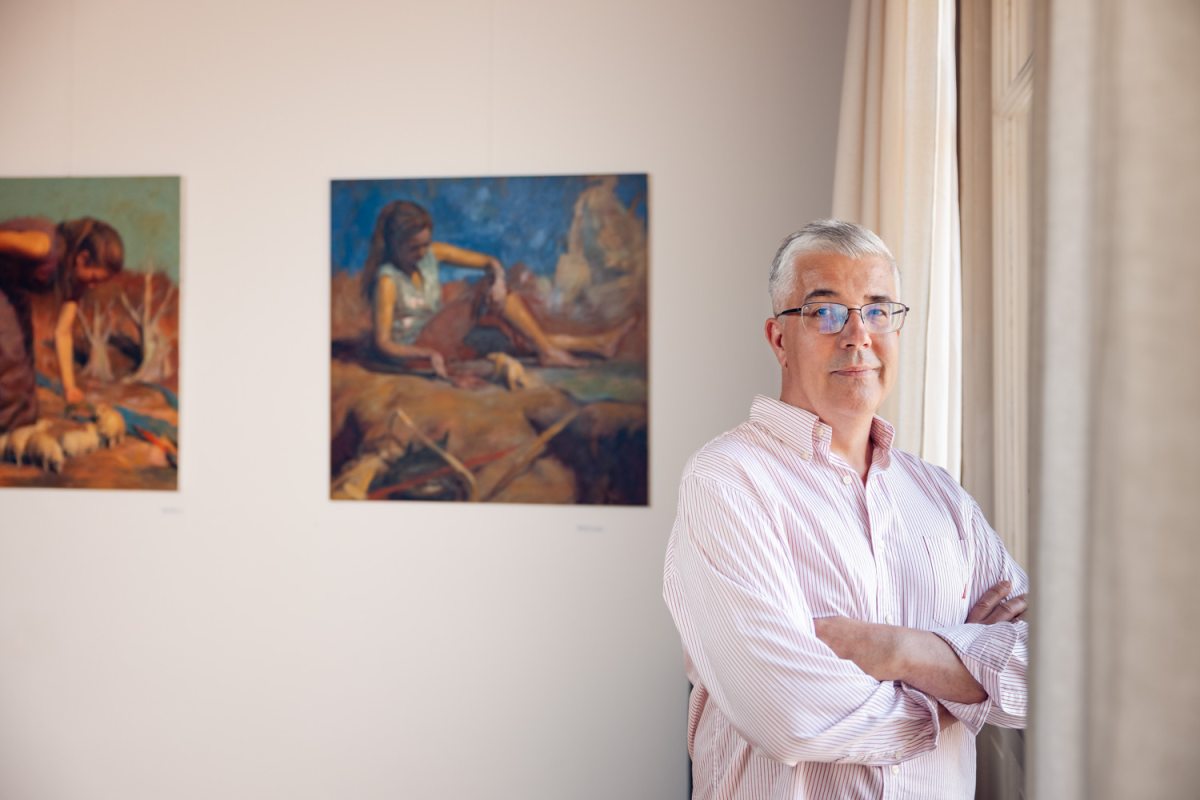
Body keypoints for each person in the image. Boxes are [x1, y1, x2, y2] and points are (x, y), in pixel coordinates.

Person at [663, 220, 1028, 798]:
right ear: (779, 339)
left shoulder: (941, 497)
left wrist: (898, 651)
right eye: (826, 312)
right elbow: (790, 715)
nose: (858, 335)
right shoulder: (727, 482)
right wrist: (959, 693)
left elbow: (1047, 673)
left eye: (878, 310)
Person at [361, 200, 633, 380]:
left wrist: (500, 280)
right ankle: (550, 353)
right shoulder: (387, 281)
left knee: (511, 335)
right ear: (394, 244)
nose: (422, 253)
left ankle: (597, 344)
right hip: (417, 351)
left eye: (425, 244)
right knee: (483, 290)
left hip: (441, 339)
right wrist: (427, 355)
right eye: (413, 248)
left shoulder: (434, 253)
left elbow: (488, 262)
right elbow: (383, 343)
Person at [0, 216, 124, 433]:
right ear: (83, 258)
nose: (93, 286)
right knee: (8, 351)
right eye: (94, 278)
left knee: (22, 364)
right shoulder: (41, 246)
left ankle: (14, 434)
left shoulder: (75, 280)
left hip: (13, 290)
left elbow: (63, 332)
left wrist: (70, 388)